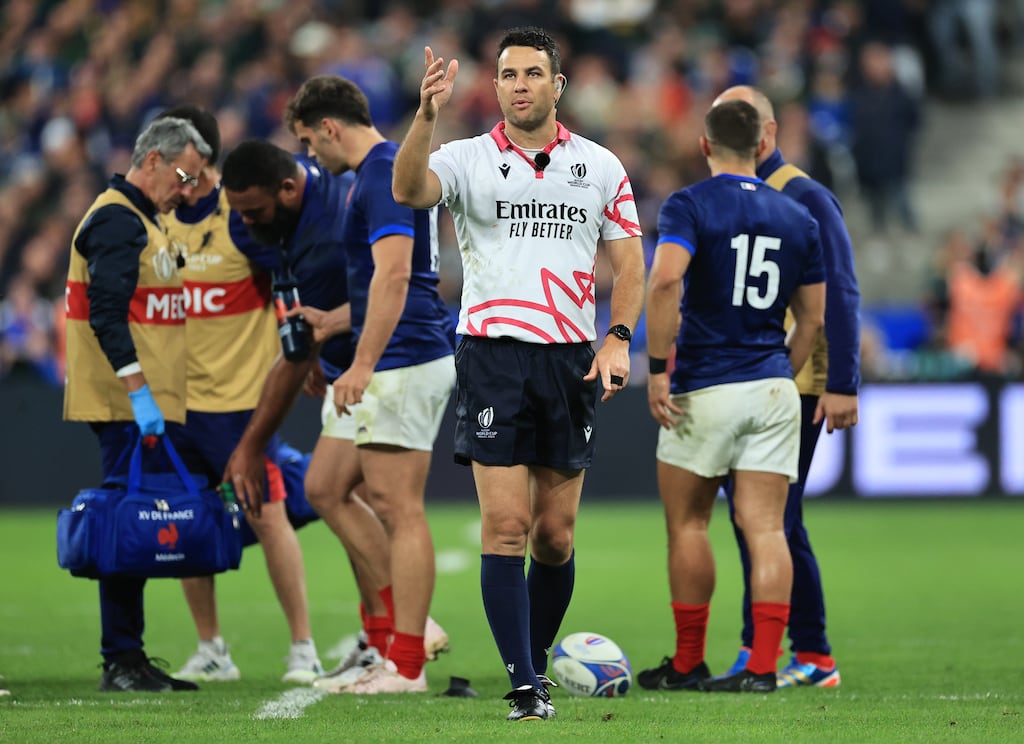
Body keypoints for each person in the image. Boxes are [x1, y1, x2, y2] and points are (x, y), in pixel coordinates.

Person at [392, 26, 646, 720]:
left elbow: (629, 263)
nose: (521, 85)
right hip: (492, 356)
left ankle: (531, 662)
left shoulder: (600, 167)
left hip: (569, 360)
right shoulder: (466, 158)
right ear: (496, 85)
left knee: (554, 536)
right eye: (509, 75)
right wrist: (424, 116)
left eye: (534, 73)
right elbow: (409, 188)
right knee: (505, 526)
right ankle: (525, 687)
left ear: (558, 86)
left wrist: (618, 339)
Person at [638, 99, 826, 694]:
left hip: (705, 383)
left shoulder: (690, 204)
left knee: (690, 525)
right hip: (772, 385)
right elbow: (814, 318)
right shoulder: (799, 217)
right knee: (767, 528)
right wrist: (778, 371)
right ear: (762, 146)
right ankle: (764, 668)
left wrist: (660, 368)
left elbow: (665, 279)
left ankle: (689, 662)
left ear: (704, 144)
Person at [282, 74, 456, 694]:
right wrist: (336, 322)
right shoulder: (382, 170)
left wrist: (361, 363)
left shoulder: (382, 171)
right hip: (391, 350)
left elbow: (396, 277)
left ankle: (405, 660)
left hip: (402, 358)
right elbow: (384, 282)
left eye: (308, 141)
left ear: (329, 127)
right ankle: (393, 639)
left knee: (398, 507)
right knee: (325, 486)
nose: (309, 156)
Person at [155, 105, 324, 684]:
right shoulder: (155, 219)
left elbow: (284, 281)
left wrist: (302, 350)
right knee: (188, 520)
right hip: (175, 402)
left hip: (237, 402)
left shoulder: (241, 216)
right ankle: (212, 648)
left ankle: (303, 647)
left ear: (198, 158)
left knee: (268, 512)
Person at [711, 85, 860, 688]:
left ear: (765, 135)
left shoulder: (803, 196)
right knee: (755, 519)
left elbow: (841, 290)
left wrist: (843, 380)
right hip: (751, 378)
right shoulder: (746, 196)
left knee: (777, 520)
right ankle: (759, 648)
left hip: (794, 380)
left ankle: (814, 653)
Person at [63, 116, 211, 692]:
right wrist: (139, 390)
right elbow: (105, 311)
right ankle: (121, 659)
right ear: (151, 161)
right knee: (129, 526)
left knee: (137, 525)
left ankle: (128, 654)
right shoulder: (118, 221)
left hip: (140, 405)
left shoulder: (142, 220)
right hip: (126, 406)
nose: (189, 189)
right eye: (183, 175)